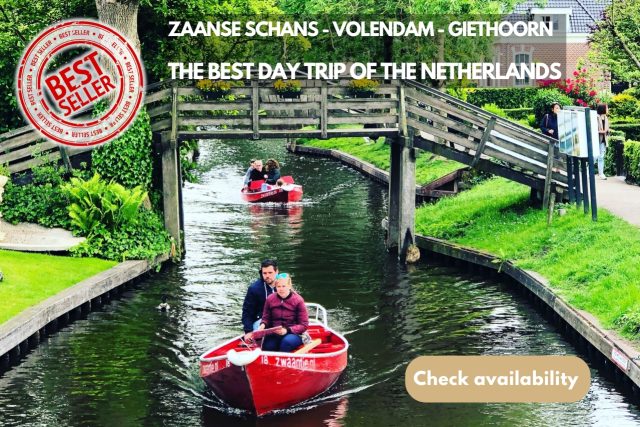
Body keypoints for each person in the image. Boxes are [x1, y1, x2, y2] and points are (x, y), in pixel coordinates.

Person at [258, 273, 309, 352]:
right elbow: (266, 317)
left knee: (286, 342)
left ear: (289, 286)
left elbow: (304, 325)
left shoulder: (298, 300)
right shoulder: (270, 299)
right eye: (278, 286)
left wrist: (287, 330)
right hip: (275, 332)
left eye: (284, 286)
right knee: (268, 346)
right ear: (275, 287)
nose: (281, 289)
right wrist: (263, 324)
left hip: (294, 333)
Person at [242, 259, 278, 341]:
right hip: (260, 320)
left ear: (276, 272)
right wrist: (248, 331)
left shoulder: (283, 285)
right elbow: (247, 312)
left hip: (279, 319)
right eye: (264, 273)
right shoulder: (254, 289)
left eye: (270, 273)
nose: (267, 276)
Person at [597, 103, 609, 180]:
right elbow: (593, 129)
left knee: (601, 157)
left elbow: (606, 129)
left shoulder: (606, 118)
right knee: (594, 157)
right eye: (607, 108)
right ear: (603, 109)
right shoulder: (596, 117)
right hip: (597, 139)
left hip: (603, 140)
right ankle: (588, 172)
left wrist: (607, 131)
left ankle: (601, 173)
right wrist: (602, 131)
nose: (608, 109)